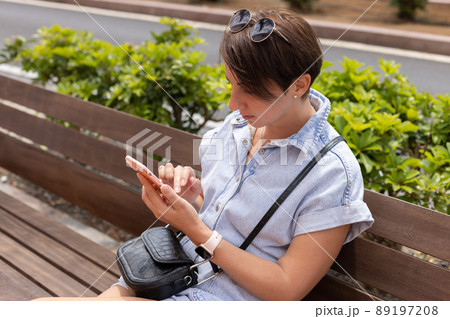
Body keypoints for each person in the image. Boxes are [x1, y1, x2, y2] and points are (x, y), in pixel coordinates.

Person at [37, 7, 373, 301]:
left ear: (299, 86)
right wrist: (192, 200)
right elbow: (222, 219)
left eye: (251, 92)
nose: (233, 104)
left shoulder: (330, 174)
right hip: (167, 276)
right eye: (231, 83)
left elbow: (285, 289)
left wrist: (197, 231)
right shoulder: (237, 128)